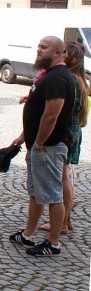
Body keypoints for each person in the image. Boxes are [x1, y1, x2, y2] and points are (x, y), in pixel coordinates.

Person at [8, 37, 74, 256]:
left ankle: (53, 243)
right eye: (38, 47)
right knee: (36, 193)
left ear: (58, 53)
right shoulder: (49, 75)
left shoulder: (57, 78)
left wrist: (39, 143)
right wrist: (24, 137)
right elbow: (37, 111)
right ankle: (28, 234)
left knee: (53, 195)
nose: (38, 50)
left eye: (43, 48)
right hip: (39, 145)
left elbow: (51, 115)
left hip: (49, 146)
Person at [39, 41, 88, 234]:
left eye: (65, 52)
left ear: (73, 58)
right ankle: (65, 219)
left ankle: (62, 222)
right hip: (73, 130)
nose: (62, 55)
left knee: (62, 178)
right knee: (64, 176)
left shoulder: (72, 79)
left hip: (67, 130)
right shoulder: (79, 79)